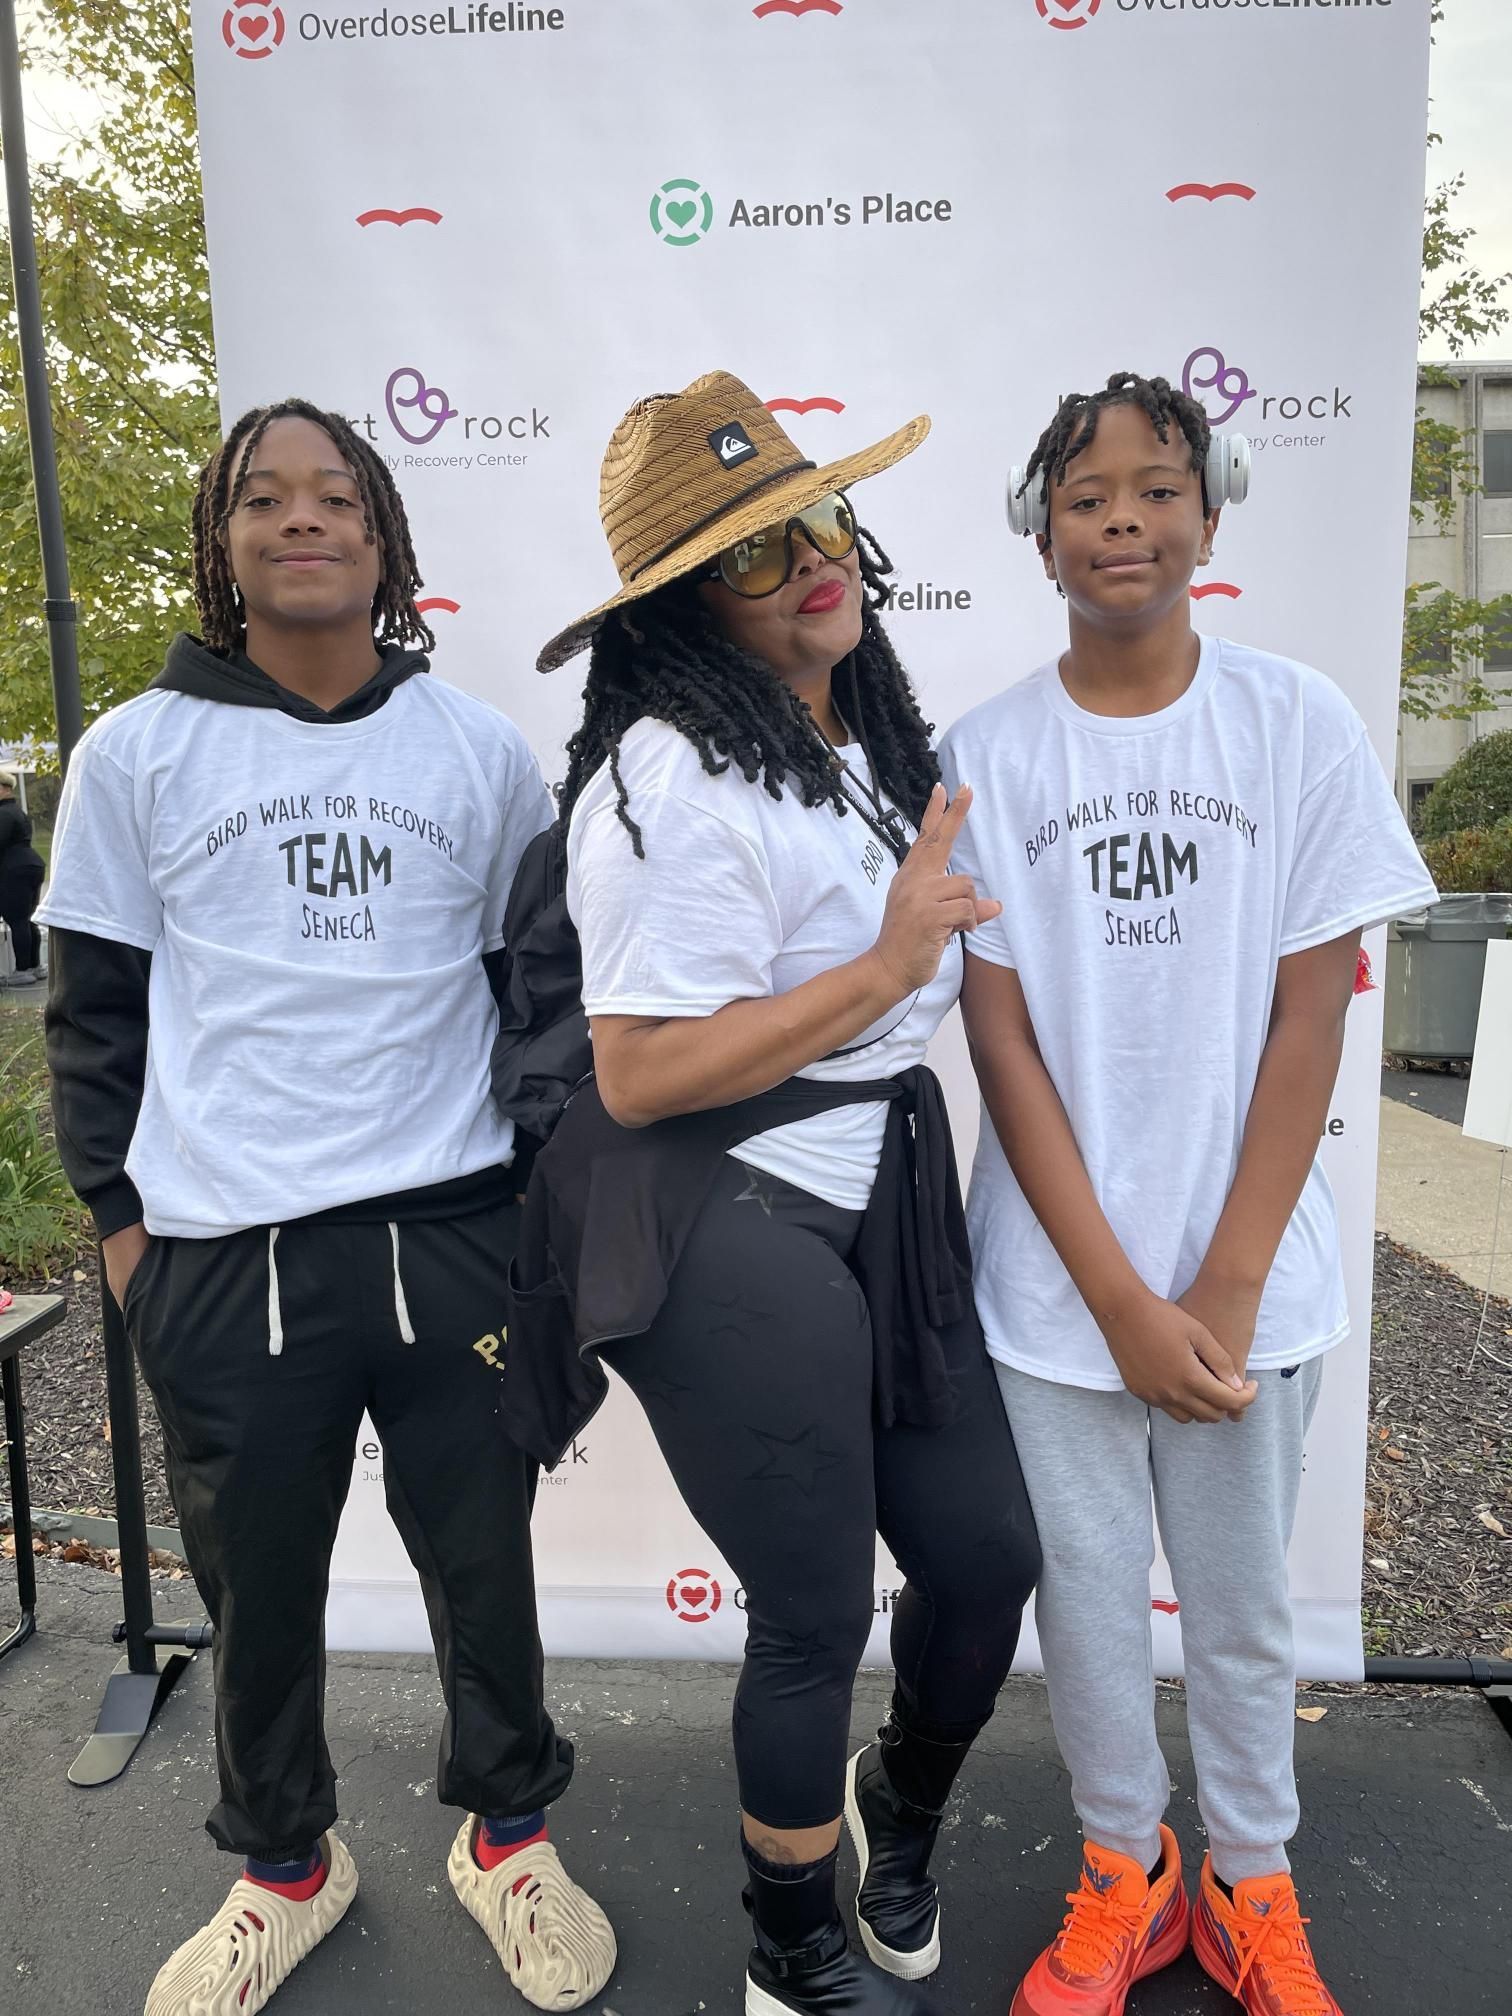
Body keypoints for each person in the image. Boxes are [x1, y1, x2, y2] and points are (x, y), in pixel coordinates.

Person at [38, 399, 616, 2016]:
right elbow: (93, 1023)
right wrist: (132, 1244)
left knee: (482, 1568)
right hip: (228, 1256)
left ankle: (510, 1838)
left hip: (450, 1236)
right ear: (224, 541)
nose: (303, 517)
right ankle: (286, 1864)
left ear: (383, 538)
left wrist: (536, 1222)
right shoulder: (136, 753)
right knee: (259, 1590)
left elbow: (538, 1007)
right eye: (266, 497)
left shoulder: (475, 749)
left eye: (337, 495)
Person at [509, 371, 1041, 2016]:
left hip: (879, 1194)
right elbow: (641, 1073)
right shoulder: (665, 777)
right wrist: (882, 964)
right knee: (812, 1606)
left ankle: (898, 1805)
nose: (810, 560)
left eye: (817, 519)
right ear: (685, 606)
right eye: (753, 551)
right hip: (718, 1207)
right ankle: (790, 1949)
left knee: (983, 1556)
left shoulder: (861, 736)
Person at [938, 372, 1437, 2016]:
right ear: (1039, 534)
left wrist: (1217, 1290)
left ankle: (1249, 1879)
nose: (1123, 522)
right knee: (1087, 1609)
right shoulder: (988, 755)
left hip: (1249, 1291)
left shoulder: (1295, 724)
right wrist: (1116, 1300)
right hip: (1054, 1296)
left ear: (1209, 516)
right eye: (1086, 498)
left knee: (1237, 1611)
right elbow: (1002, 1046)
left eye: (1156, 489)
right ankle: (1122, 1868)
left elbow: (1314, 1013)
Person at [0, 768, 44, 984]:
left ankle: (22, 970)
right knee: (25, 918)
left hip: (14, 869)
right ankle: (35, 965)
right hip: (32, 864)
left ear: (3, 788)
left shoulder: (3, 814)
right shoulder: (17, 811)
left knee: (16, 919)